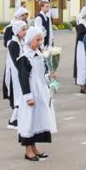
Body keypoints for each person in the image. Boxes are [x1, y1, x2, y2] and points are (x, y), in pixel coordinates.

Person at [15, 25, 58, 157]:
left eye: (41, 40)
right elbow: (23, 78)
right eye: (37, 40)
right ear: (29, 40)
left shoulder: (39, 55)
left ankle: (34, 147)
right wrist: (28, 96)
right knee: (29, 119)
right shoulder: (24, 57)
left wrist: (49, 76)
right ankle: (28, 150)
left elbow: (41, 73)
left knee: (38, 119)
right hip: (31, 91)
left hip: (41, 91)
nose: (40, 43)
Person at [74, 5, 86, 93]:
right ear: (84, 15)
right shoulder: (81, 24)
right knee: (82, 65)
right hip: (82, 47)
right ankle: (82, 86)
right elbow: (80, 36)